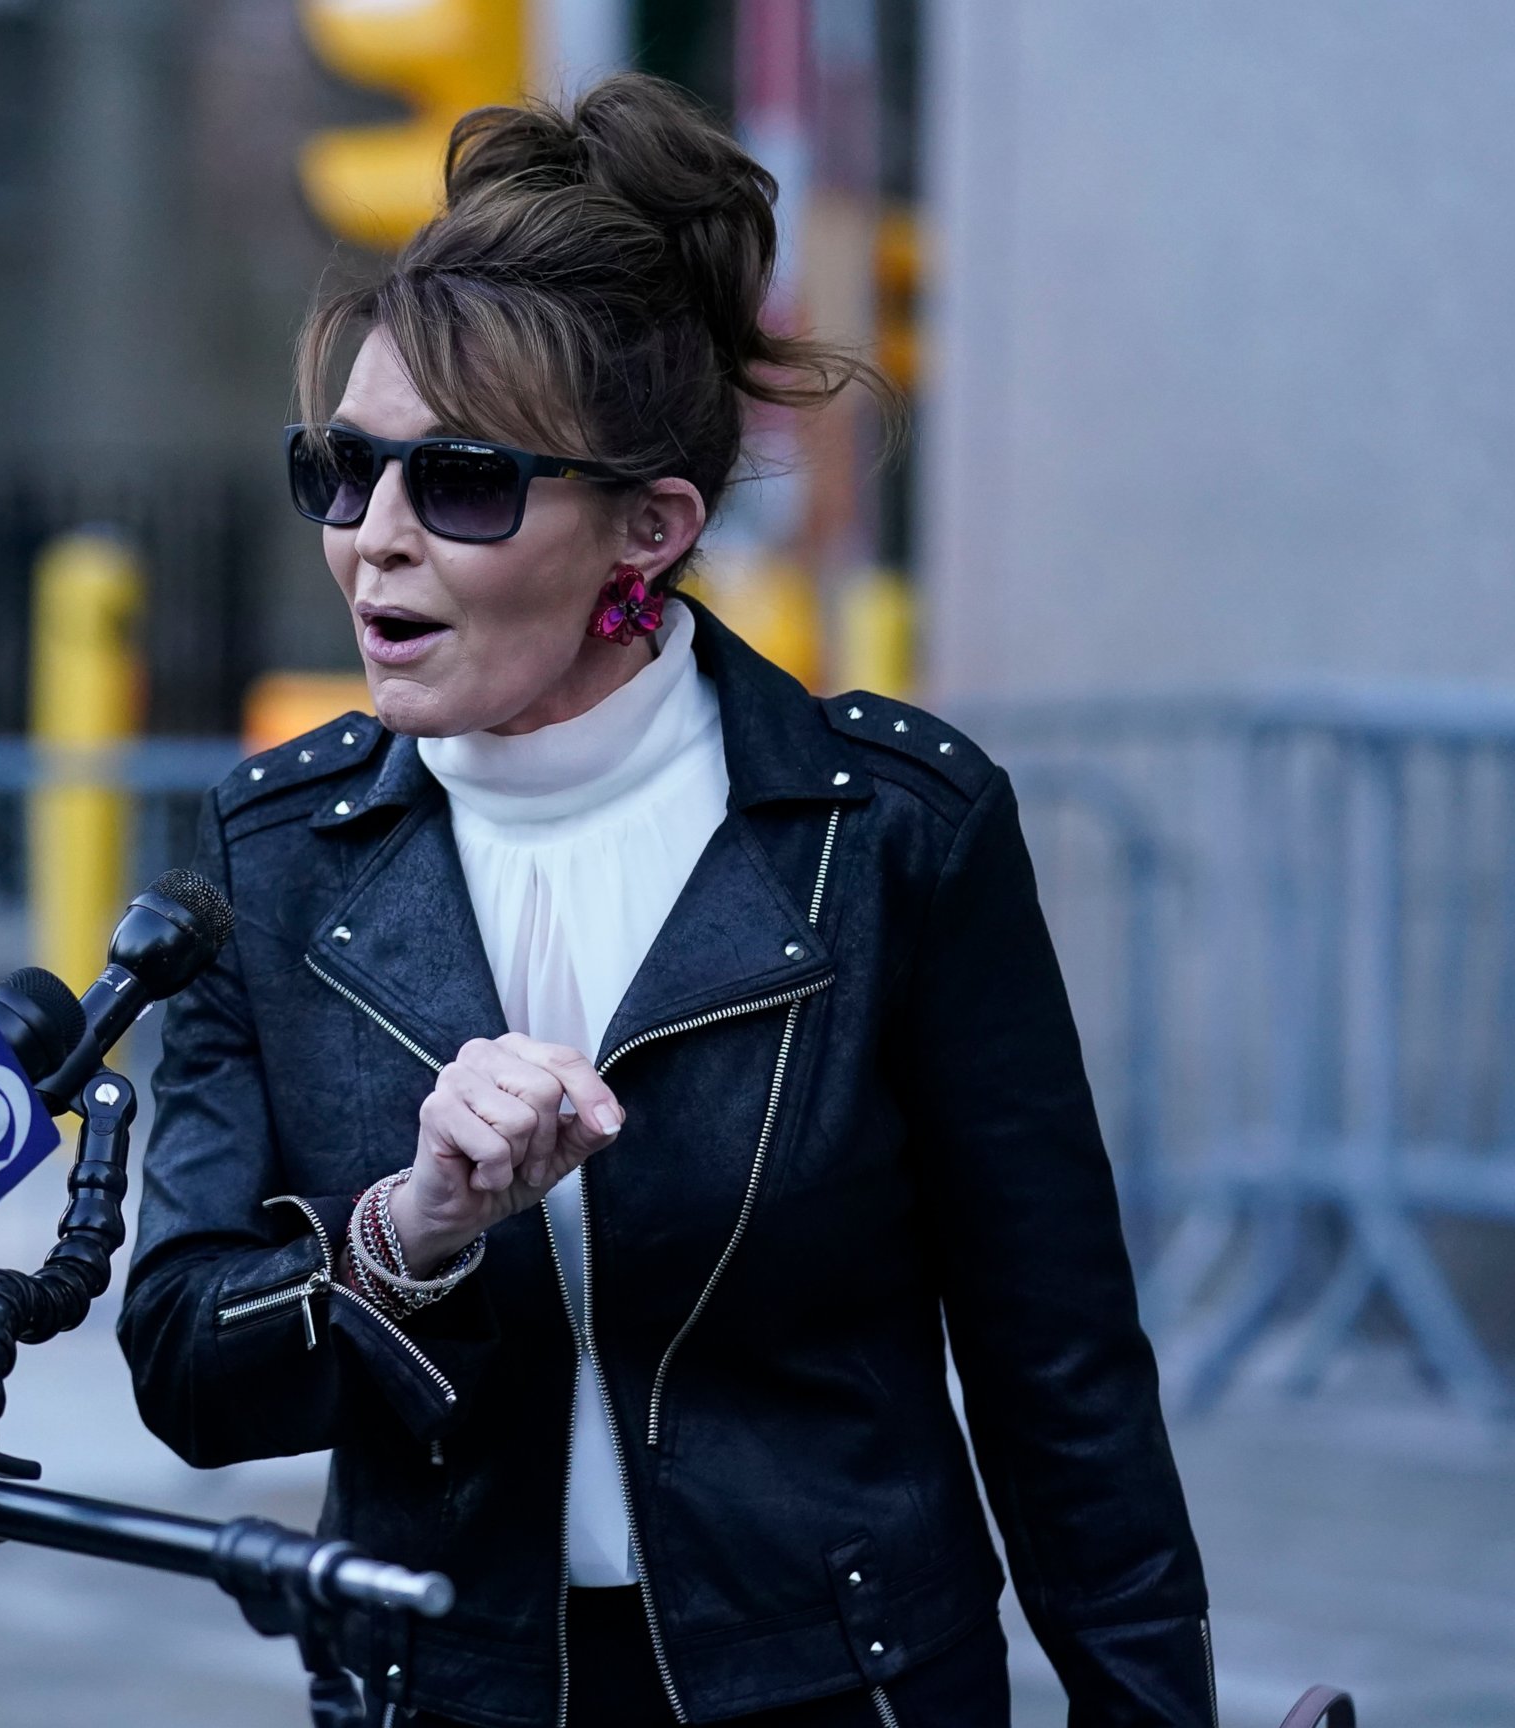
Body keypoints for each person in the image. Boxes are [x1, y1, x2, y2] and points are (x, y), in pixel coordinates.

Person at [116, 73, 1212, 1728]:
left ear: (651, 527)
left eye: (462, 485)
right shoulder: (278, 850)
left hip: (844, 1684)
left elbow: (1060, 1373)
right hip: (440, 1687)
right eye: (342, 470)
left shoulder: (890, 834)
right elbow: (189, 1368)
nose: (371, 542)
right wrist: (407, 1238)